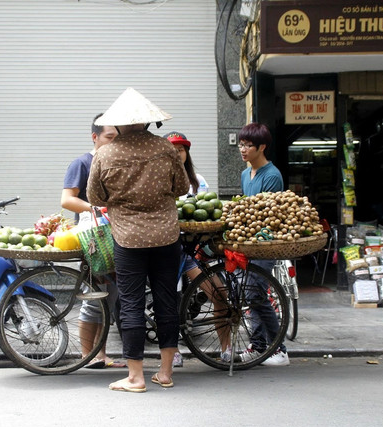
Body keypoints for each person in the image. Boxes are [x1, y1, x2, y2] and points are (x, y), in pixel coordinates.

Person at [87, 87, 189, 392]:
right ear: (147, 122)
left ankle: (136, 377)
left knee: (131, 303)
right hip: (166, 236)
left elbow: (93, 196)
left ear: (118, 123)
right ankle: (166, 373)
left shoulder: (106, 153)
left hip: (128, 239)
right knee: (166, 300)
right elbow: (182, 187)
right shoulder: (165, 149)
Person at [61, 114, 125, 369]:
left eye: (117, 138)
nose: (113, 143)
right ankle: (90, 356)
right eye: (109, 137)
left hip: (116, 239)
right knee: (94, 300)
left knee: (108, 300)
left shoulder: (117, 163)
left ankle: (101, 355)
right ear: (95, 137)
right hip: (94, 241)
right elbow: (67, 200)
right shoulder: (82, 163)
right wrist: (95, 208)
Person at [164, 130, 231, 366]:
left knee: (219, 294)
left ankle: (226, 349)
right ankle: (173, 351)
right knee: (169, 302)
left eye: (180, 149)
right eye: (171, 149)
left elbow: (209, 212)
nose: (176, 153)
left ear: (186, 153)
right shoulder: (158, 178)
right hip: (167, 248)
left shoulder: (198, 181)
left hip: (194, 250)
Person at [237, 122, 289, 366]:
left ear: (262, 147)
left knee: (256, 293)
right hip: (248, 244)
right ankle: (259, 346)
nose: (243, 149)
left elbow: (266, 215)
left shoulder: (272, 175)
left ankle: (279, 348)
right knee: (251, 295)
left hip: (264, 244)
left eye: (248, 145)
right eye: (241, 144)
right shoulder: (245, 174)